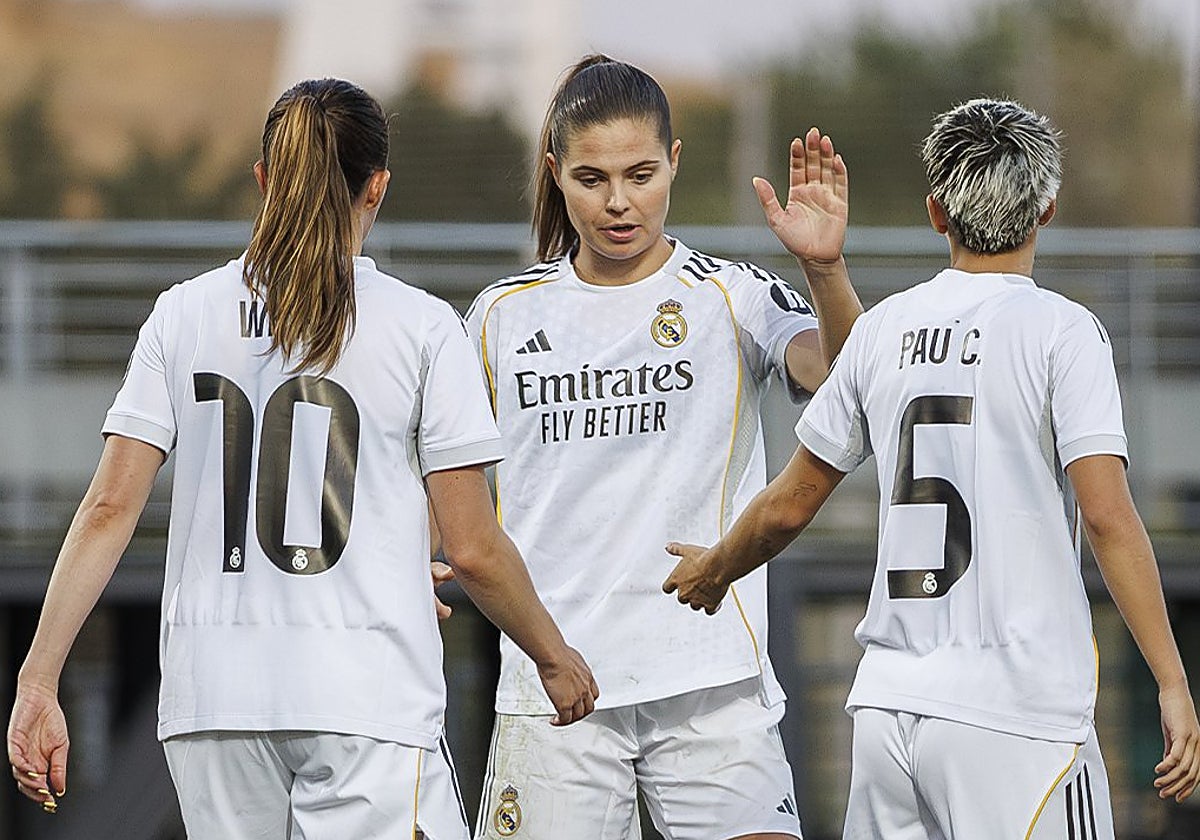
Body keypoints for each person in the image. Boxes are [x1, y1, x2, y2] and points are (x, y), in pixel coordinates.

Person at [7, 78, 597, 840]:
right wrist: (553, 656)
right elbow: (474, 549)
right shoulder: (421, 327)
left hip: (212, 702)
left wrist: (38, 678)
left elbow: (108, 510)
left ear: (263, 178)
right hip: (366, 698)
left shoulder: (182, 314)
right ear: (377, 186)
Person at [663, 98, 1200, 839]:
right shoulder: (1065, 330)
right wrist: (1172, 680)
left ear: (936, 213)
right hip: (1015, 715)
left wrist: (717, 567)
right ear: (1046, 209)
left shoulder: (882, 328)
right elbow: (1107, 518)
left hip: (889, 712)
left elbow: (790, 504)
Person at [465, 54, 862, 839]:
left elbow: (844, 380)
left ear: (674, 162)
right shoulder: (499, 315)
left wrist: (824, 269)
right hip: (556, 686)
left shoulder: (732, 293)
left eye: (640, 174)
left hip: (711, 682)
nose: (618, 202)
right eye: (591, 179)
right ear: (555, 172)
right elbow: (445, 477)